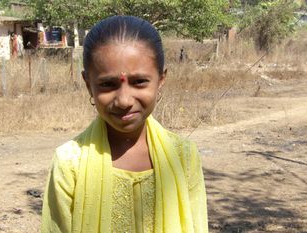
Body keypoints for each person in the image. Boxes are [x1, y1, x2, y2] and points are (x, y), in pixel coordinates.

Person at [41, 15, 208, 233]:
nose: (124, 101)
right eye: (107, 84)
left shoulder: (184, 156)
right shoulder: (70, 163)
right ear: (88, 84)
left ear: (161, 79)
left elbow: (198, 226)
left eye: (139, 82)